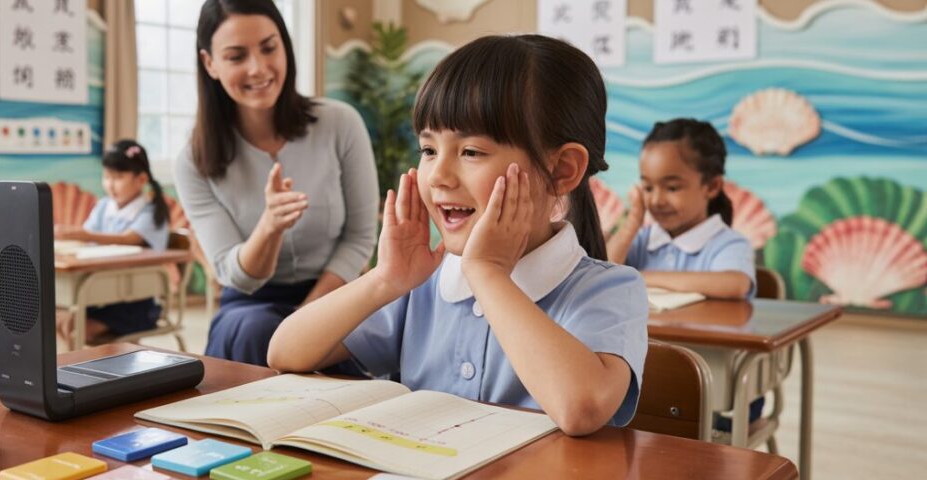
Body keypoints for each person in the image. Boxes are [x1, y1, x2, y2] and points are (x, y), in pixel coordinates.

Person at [267, 35, 649, 436]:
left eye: (471, 152)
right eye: (429, 150)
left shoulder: (610, 289)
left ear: (561, 171)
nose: (439, 177)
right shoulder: (422, 284)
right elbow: (285, 352)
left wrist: (488, 273)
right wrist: (385, 280)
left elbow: (581, 409)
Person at [172, 0, 378, 366]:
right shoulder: (193, 161)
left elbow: (361, 236)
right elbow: (234, 275)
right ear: (210, 64)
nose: (258, 68)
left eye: (269, 47)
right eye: (236, 56)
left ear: (285, 45)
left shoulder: (341, 124)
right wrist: (270, 227)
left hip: (334, 294)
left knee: (366, 341)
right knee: (256, 329)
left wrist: (310, 313)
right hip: (249, 304)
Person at [605, 118, 755, 299]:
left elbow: (735, 284)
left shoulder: (728, 243)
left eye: (672, 188)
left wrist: (637, 276)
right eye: (648, 188)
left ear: (712, 186)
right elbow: (603, 276)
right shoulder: (641, 242)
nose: (657, 201)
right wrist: (630, 225)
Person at [55, 139, 170, 343]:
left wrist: (83, 234)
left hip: (134, 303)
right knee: (58, 322)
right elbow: (85, 242)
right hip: (100, 297)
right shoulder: (104, 206)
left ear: (141, 179)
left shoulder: (151, 212)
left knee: (76, 331)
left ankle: (101, 368)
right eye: (106, 177)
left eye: (118, 177)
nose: (110, 184)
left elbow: (130, 240)